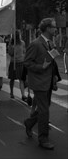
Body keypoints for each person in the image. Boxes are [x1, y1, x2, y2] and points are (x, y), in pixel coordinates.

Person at [23, 17, 61, 150]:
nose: (56, 29)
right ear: (48, 28)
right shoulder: (35, 44)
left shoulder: (50, 43)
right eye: (54, 27)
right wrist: (41, 67)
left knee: (45, 108)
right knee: (44, 111)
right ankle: (43, 139)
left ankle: (29, 122)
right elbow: (27, 62)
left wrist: (55, 77)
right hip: (39, 82)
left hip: (48, 81)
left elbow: (52, 63)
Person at [8, 30, 27, 101]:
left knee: (21, 79)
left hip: (21, 62)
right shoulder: (11, 43)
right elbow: (10, 53)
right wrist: (12, 47)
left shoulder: (22, 43)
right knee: (12, 79)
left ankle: (23, 95)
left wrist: (24, 58)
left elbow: (24, 52)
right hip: (13, 63)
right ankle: (11, 92)